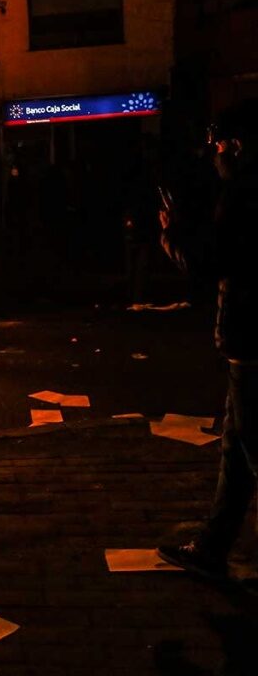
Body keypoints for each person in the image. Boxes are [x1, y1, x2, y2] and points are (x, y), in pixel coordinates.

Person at [157, 126, 258, 579]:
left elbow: (210, 260)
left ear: (236, 146)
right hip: (247, 340)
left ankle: (214, 546)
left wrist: (172, 232)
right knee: (236, 449)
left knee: (250, 447)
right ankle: (213, 545)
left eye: (219, 146)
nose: (214, 156)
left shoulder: (243, 194)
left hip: (252, 340)